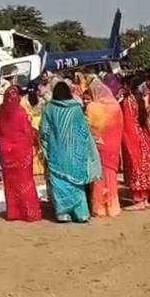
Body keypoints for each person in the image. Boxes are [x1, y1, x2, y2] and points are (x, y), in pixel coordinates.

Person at [40, 81, 101, 223]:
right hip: (76, 153)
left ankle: (63, 214)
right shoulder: (76, 109)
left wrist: (46, 147)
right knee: (76, 183)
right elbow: (83, 131)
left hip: (57, 153)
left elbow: (44, 131)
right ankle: (81, 214)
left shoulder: (49, 109)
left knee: (60, 183)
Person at [0, 86, 42, 222]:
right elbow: (27, 132)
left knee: (11, 183)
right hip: (21, 151)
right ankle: (29, 212)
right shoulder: (21, 113)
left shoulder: (1, 114)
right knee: (25, 182)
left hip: (6, 152)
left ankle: (14, 212)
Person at [85, 79, 124, 217]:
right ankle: (113, 207)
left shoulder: (92, 107)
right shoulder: (116, 107)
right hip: (113, 146)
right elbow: (120, 127)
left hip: (97, 146)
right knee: (111, 177)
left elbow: (87, 127)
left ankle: (99, 207)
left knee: (98, 177)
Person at [121, 76, 150, 210]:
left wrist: (127, 140)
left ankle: (138, 199)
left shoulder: (128, 101)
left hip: (133, 136)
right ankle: (144, 198)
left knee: (135, 166)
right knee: (144, 166)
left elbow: (128, 122)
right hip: (142, 135)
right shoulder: (139, 99)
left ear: (127, 86)